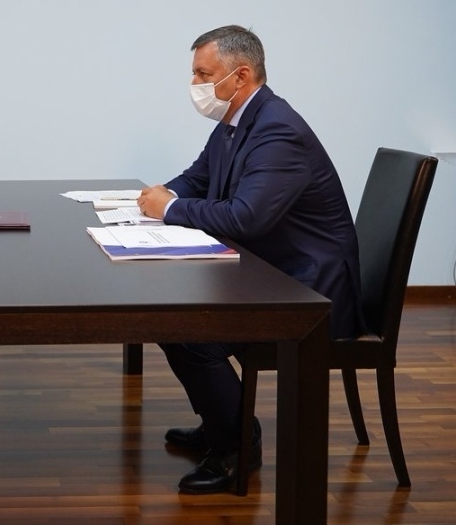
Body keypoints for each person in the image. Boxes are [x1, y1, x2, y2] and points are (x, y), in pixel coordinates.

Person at [137, 25, 365, 495]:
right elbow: (198, 178)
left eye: (204, 74)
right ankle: (222, 424)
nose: (195, 85)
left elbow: (246, 218)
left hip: (308, 293)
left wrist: (170, 209)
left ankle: (237, 447)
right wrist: (154, 198)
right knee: (170, 319)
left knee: (187, 328)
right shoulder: (236, 121)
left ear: (240, 75)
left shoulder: (278, 130)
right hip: (272, 272)